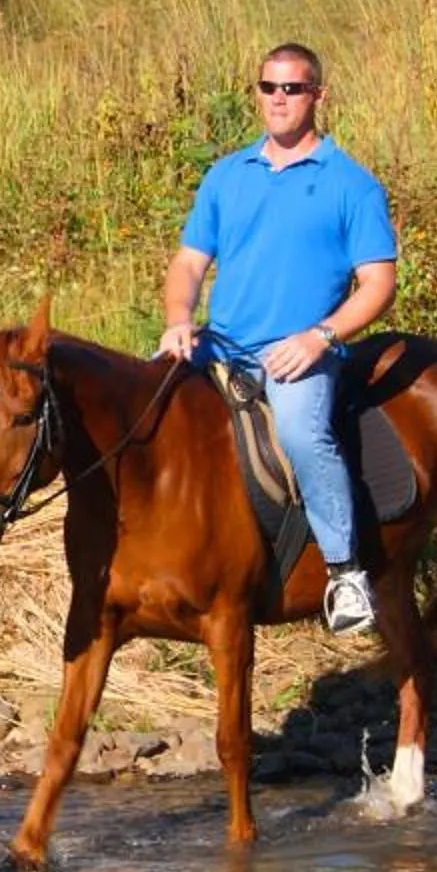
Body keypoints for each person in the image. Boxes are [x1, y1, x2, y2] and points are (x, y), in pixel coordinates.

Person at [154, 44, 399, 635]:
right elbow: (189, 263)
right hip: (220, 345)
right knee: (144, 401)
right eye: (269, 88)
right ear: (257, 93)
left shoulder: (351, 184)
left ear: (319, 95)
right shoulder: (227, 175)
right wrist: (179, 316)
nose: (279, 99)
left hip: (299, 355)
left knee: (301, 434)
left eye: (293, 88)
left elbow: (378, 284)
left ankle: (344, 572)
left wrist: (320, 338)